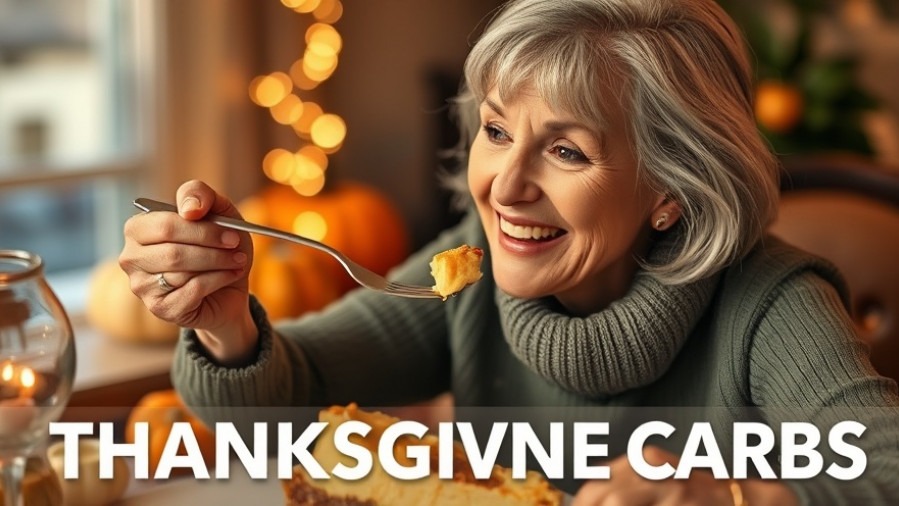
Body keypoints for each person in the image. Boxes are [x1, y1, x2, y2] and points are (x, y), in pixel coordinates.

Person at [119, 0, 899, 504]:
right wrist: (226, 326)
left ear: (671, 187)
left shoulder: (770, 303)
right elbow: (277, 407)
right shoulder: (471, 270)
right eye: (496, 131)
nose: (504, 187)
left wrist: (735, 497)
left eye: (565, 152)